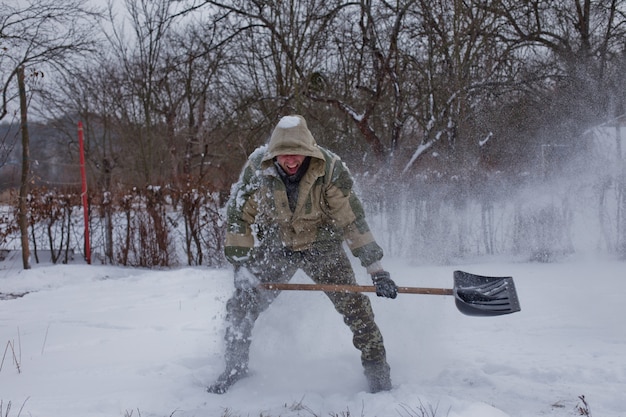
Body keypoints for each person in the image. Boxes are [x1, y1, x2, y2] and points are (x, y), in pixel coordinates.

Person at [207, 114, 398, 394]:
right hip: (276, 248)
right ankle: (234, 369)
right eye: (284, 156)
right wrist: (240, 267)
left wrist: (377, 271)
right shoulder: (257, 168)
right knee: (241, 305)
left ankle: (379, 379)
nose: (292, 161)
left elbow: (352, 220)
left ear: (308, 150)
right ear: (274, 154)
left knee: (359, 313)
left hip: (324, 249)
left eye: (297, 154)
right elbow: (239, 216)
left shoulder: (330, 169)